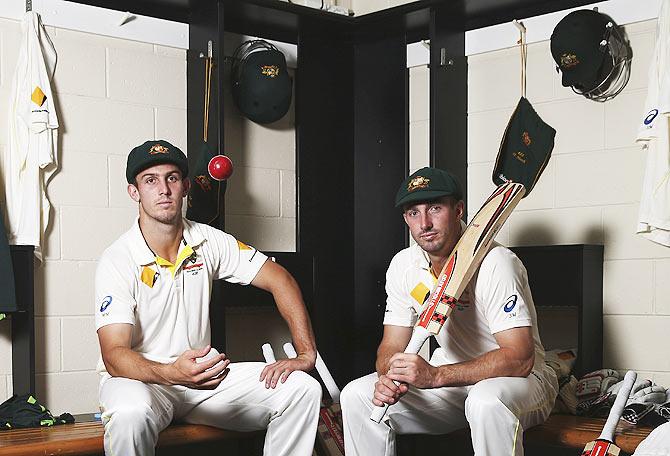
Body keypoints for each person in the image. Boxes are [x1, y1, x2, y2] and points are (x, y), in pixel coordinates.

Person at [94, 139, 321, 456]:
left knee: (302, 388)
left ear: (185, 186)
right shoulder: (118, 259)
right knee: (130, 414)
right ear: (135, 192)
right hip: (143, 382)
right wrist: (173, 373)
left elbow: (280, 278)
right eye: (151, 180)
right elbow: (114, 355)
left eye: (172, 178)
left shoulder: (207, 240)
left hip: (202, 381)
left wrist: (305, 352)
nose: (164, 189)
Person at [340, 167, 558, 456]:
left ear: (458, 210)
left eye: (434, 208)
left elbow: (520, 358)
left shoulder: (497, 263)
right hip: (450, 380)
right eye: (413, 213)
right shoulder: (404, 265)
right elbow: (391, 346)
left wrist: (436, 376)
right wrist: (389, 377)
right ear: (406, 219)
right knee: (357, 395)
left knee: (485, 400)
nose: (425, 223)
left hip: (518, 382)